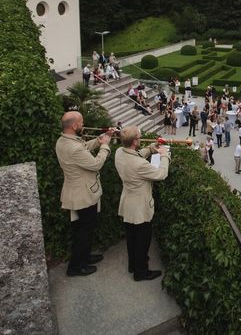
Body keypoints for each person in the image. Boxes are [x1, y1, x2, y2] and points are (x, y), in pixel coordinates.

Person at [56, 111, 112, 277]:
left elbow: (83, 148)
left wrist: (99, 139)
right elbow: (95, 164)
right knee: (84, 231)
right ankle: (75, 267)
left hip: (77, 191)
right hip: (83, 194)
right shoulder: (73, 147)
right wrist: (105, 146)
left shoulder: (63, 141)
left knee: (84, 229)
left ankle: (85, 258)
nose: (83, 124)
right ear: (74, 126)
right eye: (81, 122)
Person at [115, 126, 170, 281]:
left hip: (127, 202)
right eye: (139, 137)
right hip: (140, 206)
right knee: (142, 241)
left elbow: (136, 155)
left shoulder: (119, 152)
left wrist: (150, 149)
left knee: (131, 237)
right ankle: (141, 272)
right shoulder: (140, 165)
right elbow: (161, 174)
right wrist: (165, 156)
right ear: (134, 141)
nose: (140, 139)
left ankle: (133, 265)